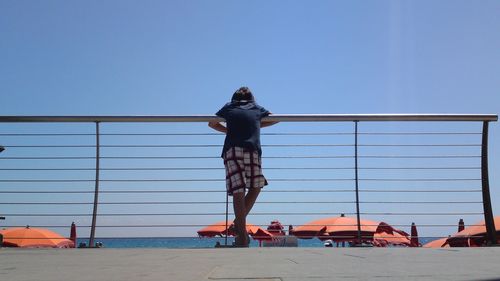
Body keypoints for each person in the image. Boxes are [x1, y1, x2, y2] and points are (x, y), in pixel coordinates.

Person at [209, 87, 278, 247]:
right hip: (251, 148)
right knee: (256, 186)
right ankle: (241, 235)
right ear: (252, 98)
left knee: (238, 191)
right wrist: (255, 124)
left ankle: (239, 228)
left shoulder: (229, 106)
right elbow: (277, 118)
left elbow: (211, 123)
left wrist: (229, 130)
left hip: (232, 149)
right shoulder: (256, 108)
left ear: (233, 98)